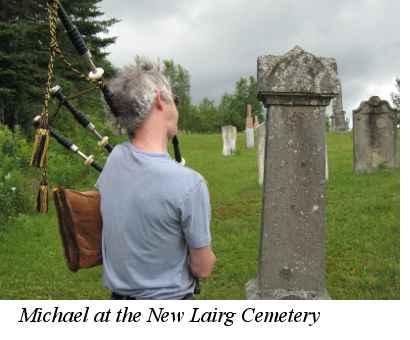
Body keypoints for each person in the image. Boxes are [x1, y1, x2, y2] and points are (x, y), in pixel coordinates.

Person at [95, 60, 216, 300]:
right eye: (175, 100)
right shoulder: (190, 184)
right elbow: (203, 268)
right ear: (160, 99)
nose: (177, 108)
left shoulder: (115, 159)